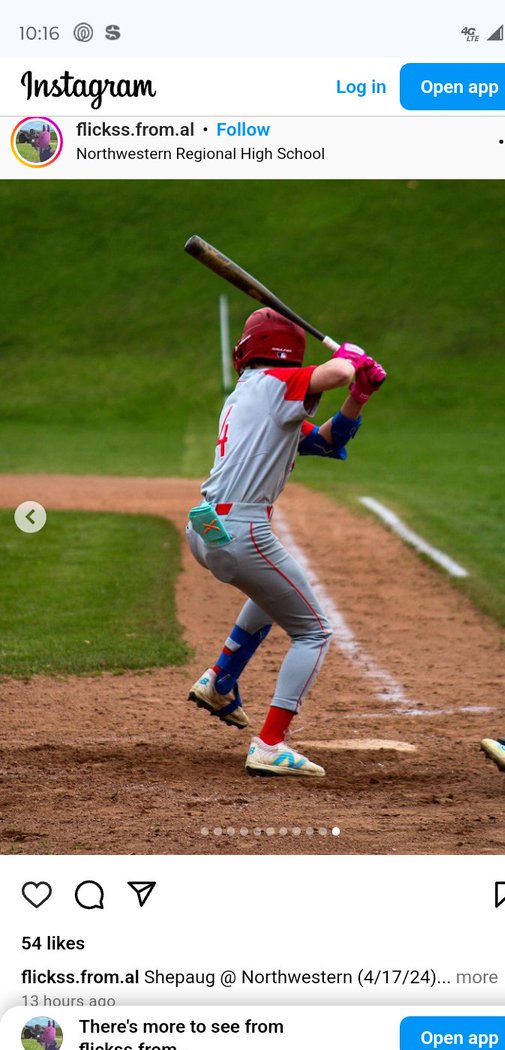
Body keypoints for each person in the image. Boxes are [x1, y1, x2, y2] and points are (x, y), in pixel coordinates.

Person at [187, 306, 386, 778]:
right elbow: (334, 371)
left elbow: (325, 441)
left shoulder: (252, 394)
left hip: (205, 526)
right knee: (314, 630)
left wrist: (357, 396)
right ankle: (271, 744)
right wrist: (348, 360)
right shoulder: (278, 384)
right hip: (241, 532)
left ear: (247, 348)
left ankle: (220, 680)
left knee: (273, 593)